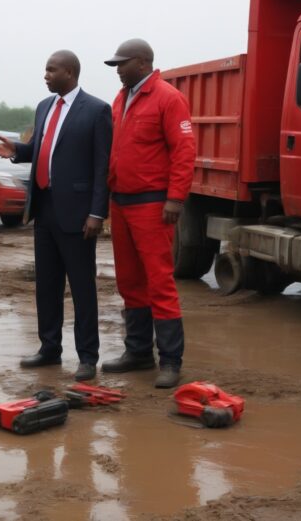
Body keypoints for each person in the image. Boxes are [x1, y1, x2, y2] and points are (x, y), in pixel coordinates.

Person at [0, 50, 111, 381]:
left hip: (77, 214)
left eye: (51, 70)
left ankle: (88, 356)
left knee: (82, 287)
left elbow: (103, 167)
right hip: (43, 210)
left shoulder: (97, 110)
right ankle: (49, 348)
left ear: (70, 72)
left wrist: (96, 213)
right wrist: (18, 150)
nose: (45, 75)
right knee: (46, 285)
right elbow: (44, 150)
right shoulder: (45, 107)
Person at [101, 39, 196, 388]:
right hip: (121, 202)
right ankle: (138, 352)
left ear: (142, 63)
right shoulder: (121, 99)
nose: (117, 71)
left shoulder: (168, 98)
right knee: (129, 281)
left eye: (121, 64)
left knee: (159, 280)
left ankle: (170, 360)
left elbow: (184, 151)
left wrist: (175, 199)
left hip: (152, 203)